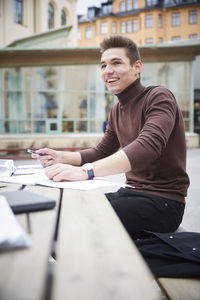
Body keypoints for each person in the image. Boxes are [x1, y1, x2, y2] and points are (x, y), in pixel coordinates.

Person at [32, 35, 190, 240]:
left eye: (116, 63)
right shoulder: (116, 110)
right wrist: (61, 157)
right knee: (65, 206)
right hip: (131, 193)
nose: (108, 70)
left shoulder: (158, 97)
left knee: (76, 221)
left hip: (164, 202)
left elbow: (148, 146)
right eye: (103, 65)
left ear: (137, 67)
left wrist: (85, 172)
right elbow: (100, 151)